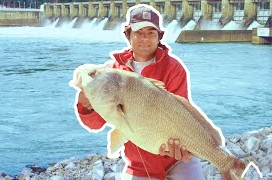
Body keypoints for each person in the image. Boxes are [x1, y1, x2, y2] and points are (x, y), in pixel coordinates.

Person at [75, 4, 205, 180]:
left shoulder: (174, 68)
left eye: (151, 33)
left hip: (178, 159)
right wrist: (85, 105)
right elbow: (96, 123)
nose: (145, 38)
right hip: (139, 166)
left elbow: (181, 112)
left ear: (160, 36)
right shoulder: (112, 72)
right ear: (128, 35)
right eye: (139, 32)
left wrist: (181, 145)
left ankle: (227, 165)